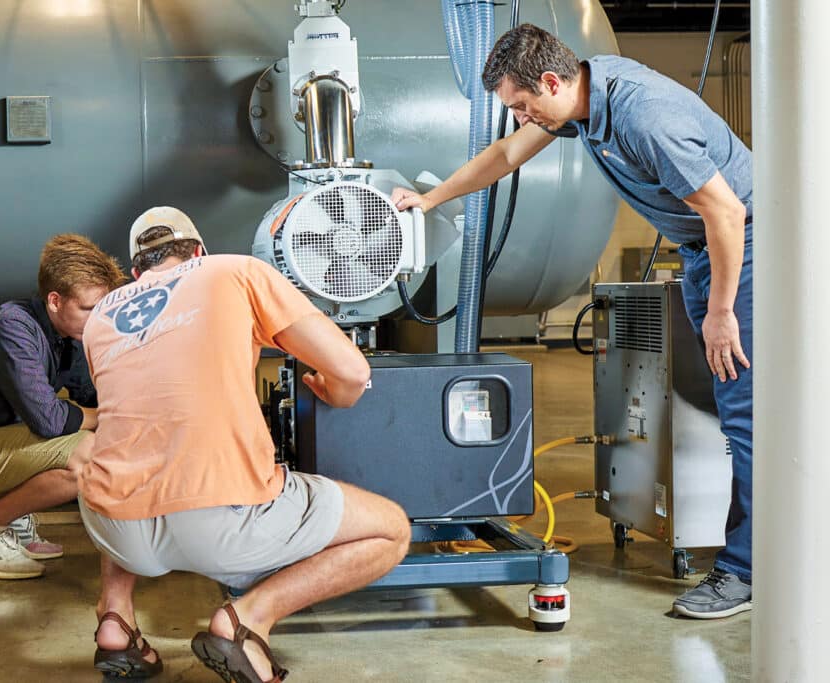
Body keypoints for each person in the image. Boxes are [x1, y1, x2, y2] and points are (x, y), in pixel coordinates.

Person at [392, 24, 753, 620]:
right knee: (731, 405)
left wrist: (720, 313)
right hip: (702, 251)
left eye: (523, 104)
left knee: (744, 414)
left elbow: (728, 210)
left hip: (744, 241)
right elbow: (506, 155)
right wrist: (430, 202)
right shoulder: (582, 103)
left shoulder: (644, 116)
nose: (521, 116)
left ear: (553, 81)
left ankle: (745, 571)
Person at [74, 207, 411, 680]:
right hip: (220, 525)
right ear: (198, 251)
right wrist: (337, 391)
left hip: (116, 530)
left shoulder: (102, 315)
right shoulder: (234, 270)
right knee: (391, 529)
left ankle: (115, 618)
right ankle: (246, 620)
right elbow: (353, 371)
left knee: (127, 447)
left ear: (135, 272)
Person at [0, 234, 126, 580]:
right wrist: (109, 415)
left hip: (4, 440)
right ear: (55, 300)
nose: (98, 319)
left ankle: (14, 518)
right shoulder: (13, 324)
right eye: (89, 309)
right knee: (88, 456)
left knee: (105, 438)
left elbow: (91, 396)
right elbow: (49, 420)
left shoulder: (71, 335)